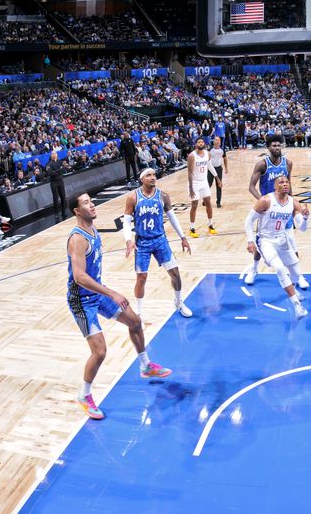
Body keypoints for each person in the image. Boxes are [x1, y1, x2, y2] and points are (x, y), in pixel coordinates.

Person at [67, 193, 172, 420]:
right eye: (85, 203)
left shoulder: (93, 231)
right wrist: (111, 292)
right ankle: (84, 395)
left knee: (135, 322)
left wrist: (129, 241)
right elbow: (79, 277)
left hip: (96, 293)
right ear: (76, 211)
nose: (91, 204)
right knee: (100, 351)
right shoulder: (77, 239)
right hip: (81, 301)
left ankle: (145, 365)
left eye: (90, 200)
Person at [123, 168, 193, 326]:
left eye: (154, 175)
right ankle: (139, 312)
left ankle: (178, 302)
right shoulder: (133, 197)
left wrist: (183, 237)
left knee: (175, 273)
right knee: (141, 278)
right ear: (142, 179)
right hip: (142, 242)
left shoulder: (163, 196)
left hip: (160, 240)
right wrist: (128, 240)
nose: (153, 177)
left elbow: (172, 217)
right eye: (149, 175)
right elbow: (126, 221)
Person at [245, 135, 309, 289]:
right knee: (263, 243)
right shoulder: (262, 164)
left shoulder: (288, 163)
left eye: (278, 145)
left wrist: (293, 205)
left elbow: (289, 184)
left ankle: (298, 276)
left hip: (284, 208)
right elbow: (251, 187)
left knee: (292, 243)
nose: (276, 148)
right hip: (267, 210)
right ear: (268, 148)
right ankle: (254, 269)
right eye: (273, 146)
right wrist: (264, 202)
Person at [244, 174, 310, 318]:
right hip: (266, 240)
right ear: (275, 186)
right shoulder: (265, 200)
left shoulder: (294, 203)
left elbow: (302, 228)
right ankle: (297, 305)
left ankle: (292, 289)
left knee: (296, 271)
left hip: (282, 239)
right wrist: (250, 240)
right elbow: (249, 220)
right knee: (280, 268)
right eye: (281, 182)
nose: (285, 184)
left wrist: (305, 218)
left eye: (287, 182)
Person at [186, 138, 221, 238]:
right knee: (194, 205)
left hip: (204, 182)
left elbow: (209, 166)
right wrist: (191, 188)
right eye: (198, 142)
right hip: (195, 182)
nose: (201, 143)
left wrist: (217, 178)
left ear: (204, 144)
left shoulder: (207, 154)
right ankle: (192, 228)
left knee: (208, 202)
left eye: (202, 142)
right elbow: (189, 173)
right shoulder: (192, 156)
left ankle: (210, 225)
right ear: (195, 144)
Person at [46, 152, 67, 220]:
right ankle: (56, 213)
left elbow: (64, 170)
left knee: (63, 197)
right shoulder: (49, 164)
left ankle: (63, 212)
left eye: (55, 153)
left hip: (60, 181)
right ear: (51, 156)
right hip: (54, 182)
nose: (54, 155)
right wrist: (59, 170)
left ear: (57, 155)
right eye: (53, 154)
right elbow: (50, 173)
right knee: (55, 198)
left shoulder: (60, 162)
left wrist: (56, 171)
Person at [209, 136, 228, 208]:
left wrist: (226, 168)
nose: (217, 141)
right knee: (208, 185)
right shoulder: (210, 150)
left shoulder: (222, 150)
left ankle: (218, 202)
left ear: (220, 142)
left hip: (219, 169)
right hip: (210, 169)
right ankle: (206, 200)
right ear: (213, 141)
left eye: (218, 140)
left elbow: (225, 159)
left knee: (219, 185)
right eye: (215, 140)